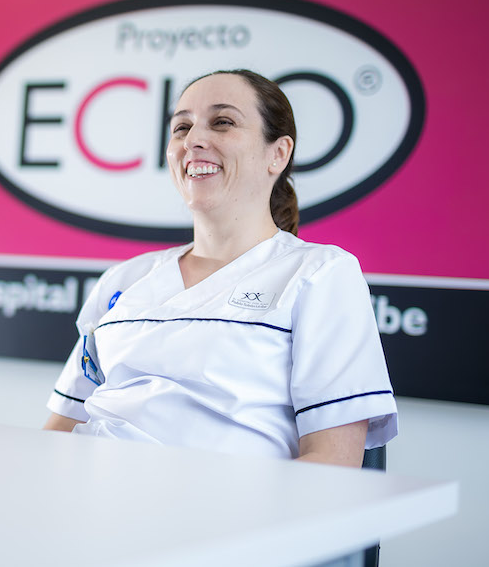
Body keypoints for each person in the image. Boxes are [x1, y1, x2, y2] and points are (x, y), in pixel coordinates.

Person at [43, 70, 397, 466]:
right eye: (181, 127)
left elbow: (332, 466)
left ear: (277, 154)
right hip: (87, 503)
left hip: (218, 518)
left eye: (223, 122)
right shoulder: (124, 280)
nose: (193, 140)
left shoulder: (321, 273)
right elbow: (60, 431)